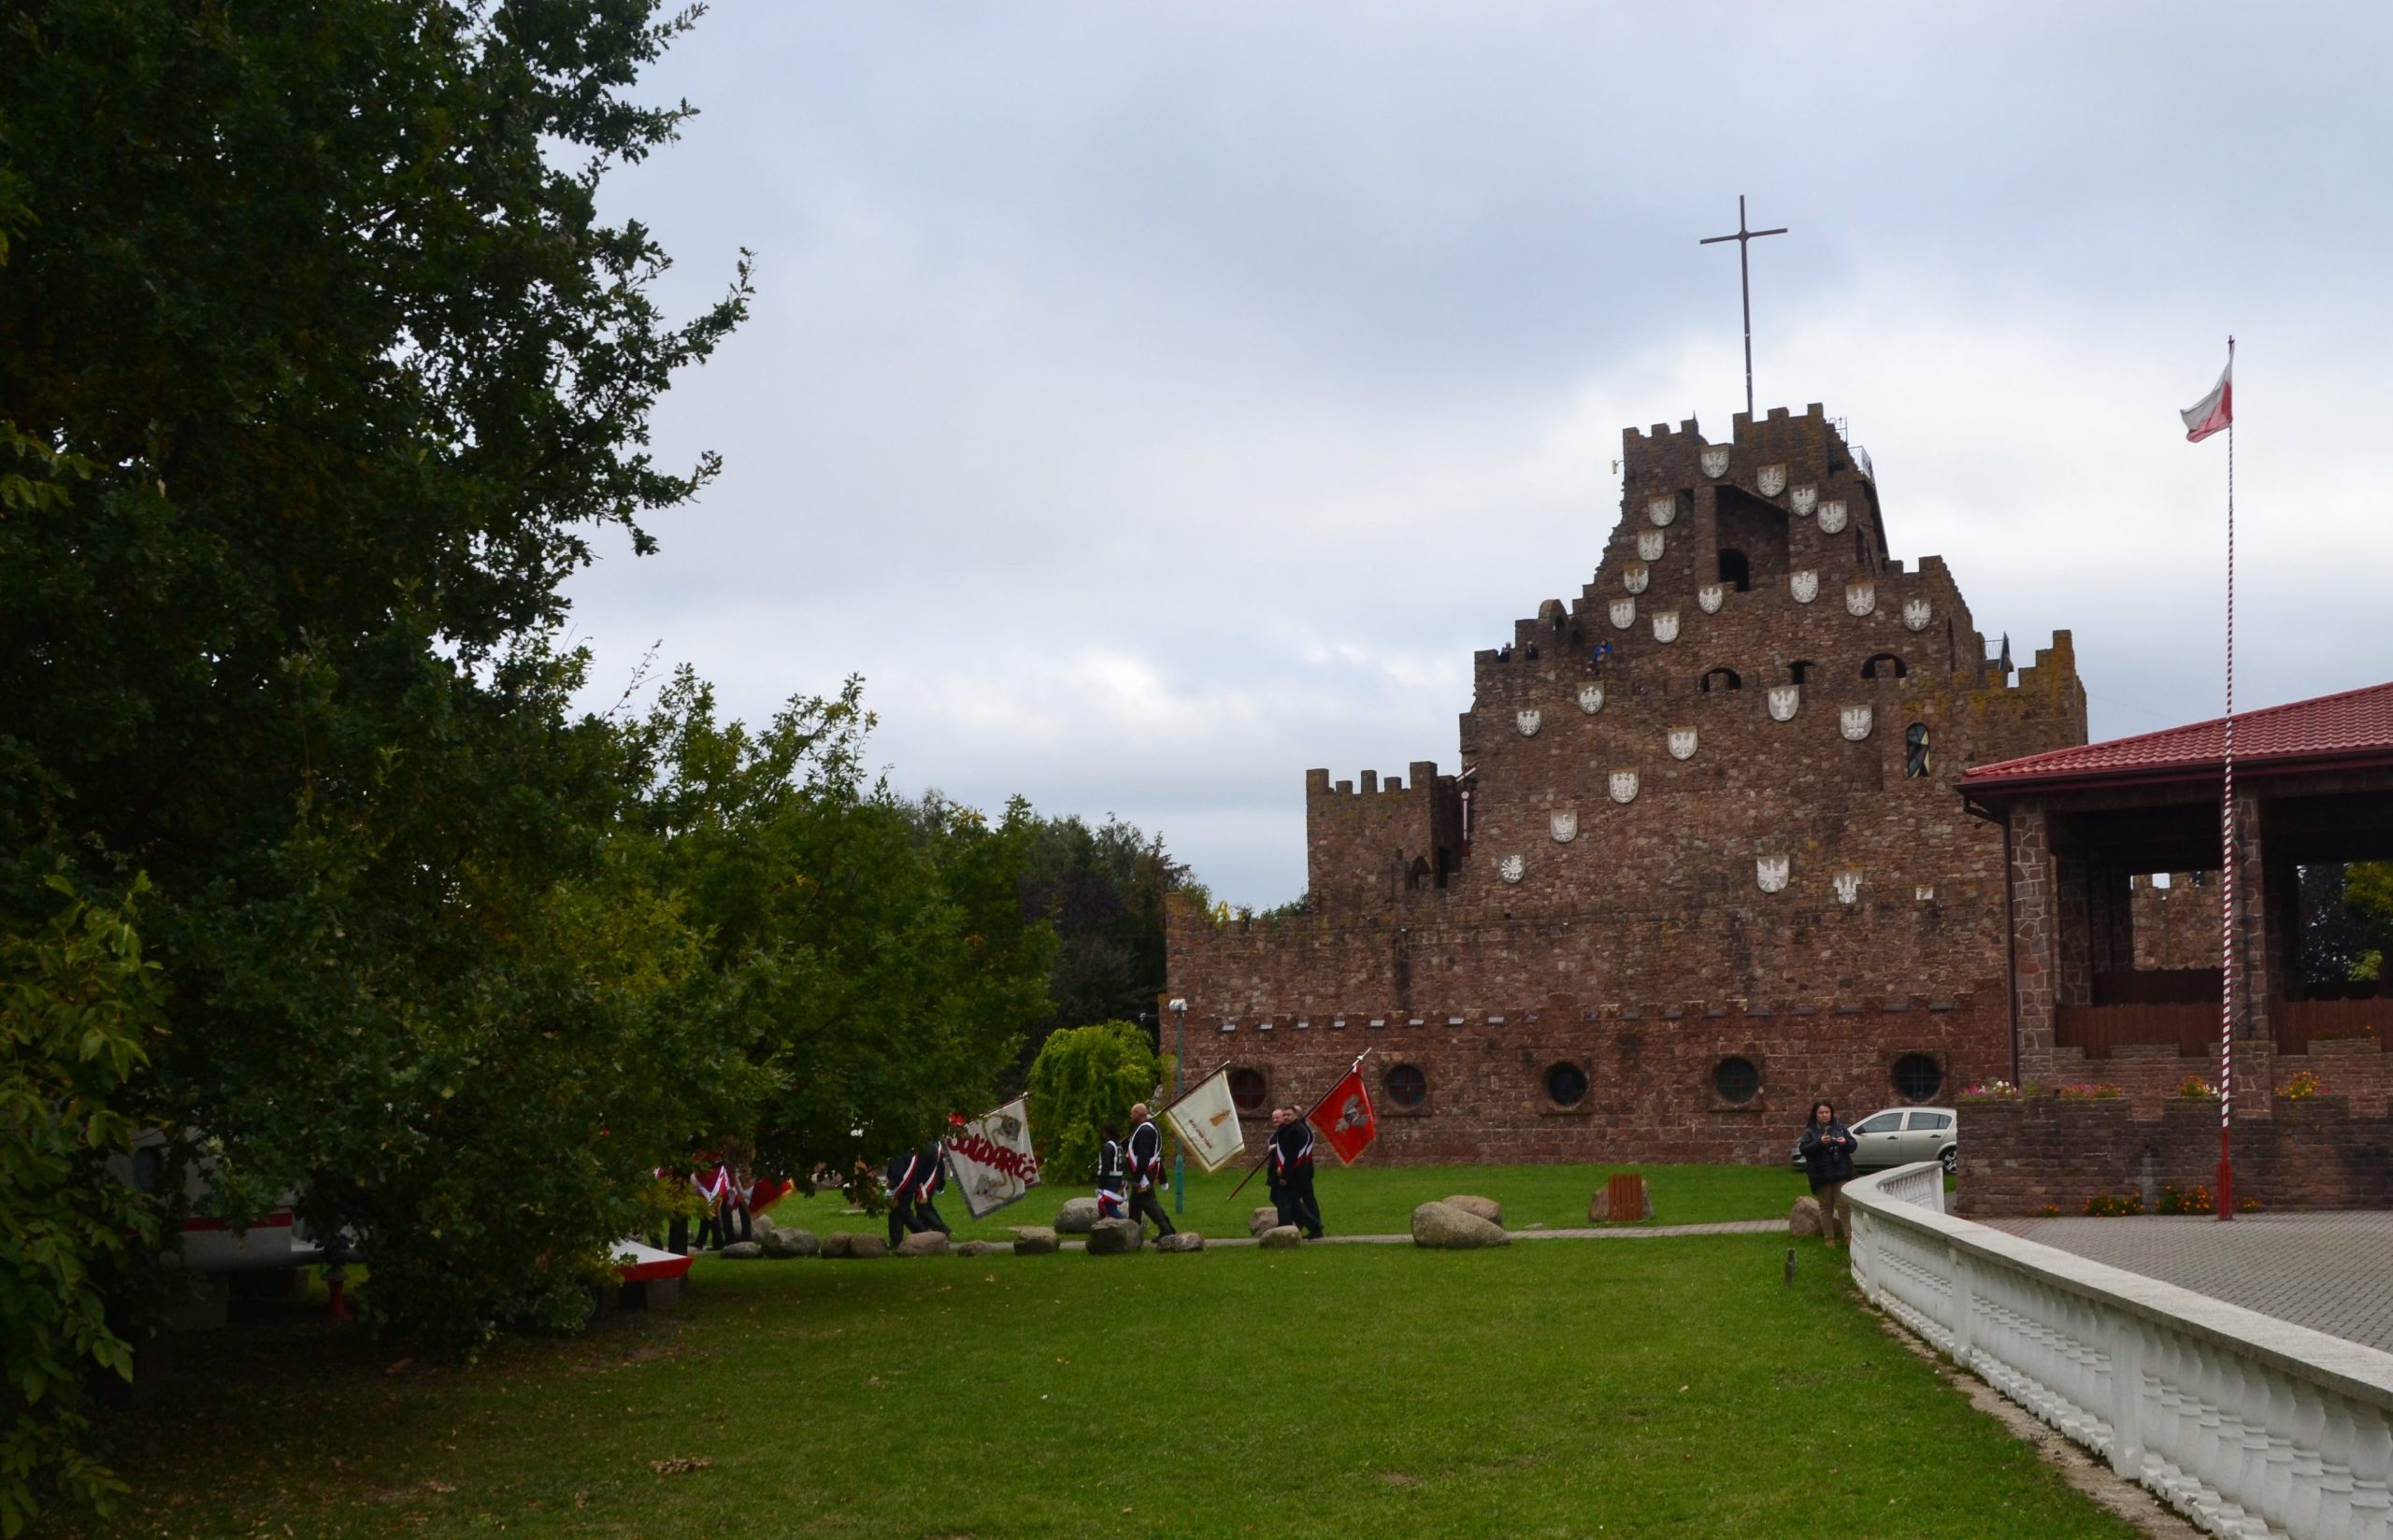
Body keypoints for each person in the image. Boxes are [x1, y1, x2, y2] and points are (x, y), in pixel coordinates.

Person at [1798, 1100, 1858, 1248]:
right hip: (1821, 1174)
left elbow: (1853, 1146)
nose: (1825, 1115)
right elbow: (1804, 1149)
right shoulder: (1810, 1131)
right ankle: (1829, 1239)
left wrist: (1845, 1143)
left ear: (1831, 1113)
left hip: (1841, 1171)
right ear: (1815, 1114)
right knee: (1826, 1207)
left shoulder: (1840, 1128)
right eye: (1821, 1113)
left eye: (1827, 1112)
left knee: (1844, 1206)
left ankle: (1849, 1238)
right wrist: (1819, 1143)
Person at [1268, 1106, 1324, 1239]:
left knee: (1285, 1201)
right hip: (1293, 1172)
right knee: (1290, 1201)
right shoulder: (1290, 1129)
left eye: (1289, 1115)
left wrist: (1285, 1176)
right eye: (1285, 1115)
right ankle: (1313, 1226)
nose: (1286, 1117)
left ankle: (1286, 1230)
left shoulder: (1296, 1131)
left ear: (1295, 1116)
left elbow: (1292, 1156)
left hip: (1293, 1173)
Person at [1125, 1103, 1176, 1239]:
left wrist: (1137, 1178)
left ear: (1140, 1114)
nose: (1131, 1115)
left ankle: (1166, 1230)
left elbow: (1144, 1155)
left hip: (1143, 1176)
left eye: (1133, 1113)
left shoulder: (1145, 1131)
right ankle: (1133, 1233)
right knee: (1135, 1205)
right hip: (1143, 1174)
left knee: (1149, 1204)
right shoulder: (1145, 1128)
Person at [884, 1147, 929, 1248]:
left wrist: (890, 1187)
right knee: (905, 1214)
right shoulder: (912, 1153)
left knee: (896, 1215)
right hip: (910, 1188)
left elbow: (897, 1175)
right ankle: (923, 1233)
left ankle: (896, 1242)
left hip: (900, 1190)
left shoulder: (898, 1153)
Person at [910, 1140, 951, 1235]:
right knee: (927, 1207)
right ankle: (923, 1231)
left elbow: (919, 1166)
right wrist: (940, 1183)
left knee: (922, 1208)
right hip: (931, 1182)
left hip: (924, 1184)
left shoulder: (925, 1147)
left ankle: (941, 1229)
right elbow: (940, 1167)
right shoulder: (935, 1145)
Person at [1095, 1121, 1127, 1221]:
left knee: (1109, 1206)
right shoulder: (1118, 1145)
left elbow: (1106, 1167)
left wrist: (1101, 1184)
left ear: (1106, 1132)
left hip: (1109, 1180)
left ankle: (1125, 1223)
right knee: (1107, 1205)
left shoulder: (1108, 1146)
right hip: (1117, 1178)